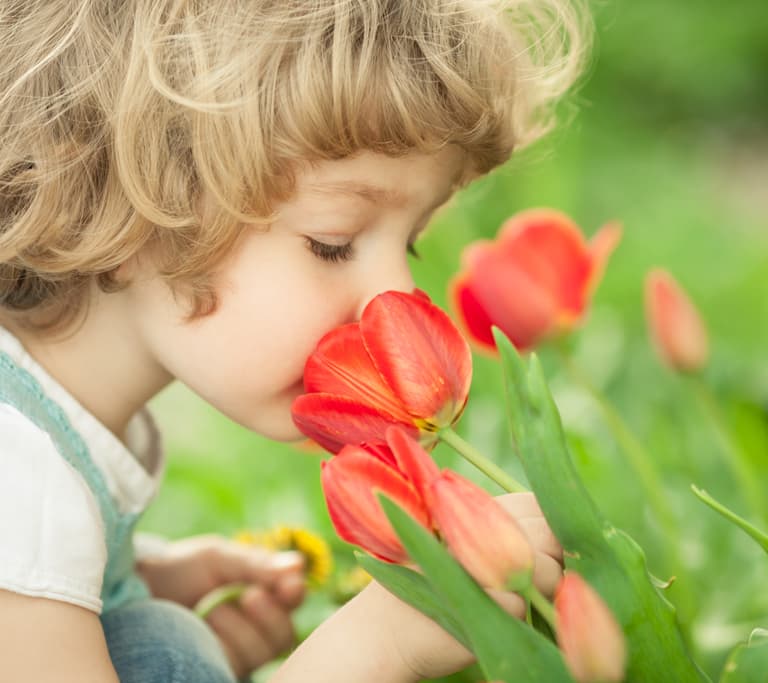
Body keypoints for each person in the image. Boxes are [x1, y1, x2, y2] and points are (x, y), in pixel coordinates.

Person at [0, 1, 589, 681]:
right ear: (124, 199)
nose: (390, 300)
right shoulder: (17, 477)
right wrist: (376, 647)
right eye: (331, 242)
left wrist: (145, 579)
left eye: (412, 243)